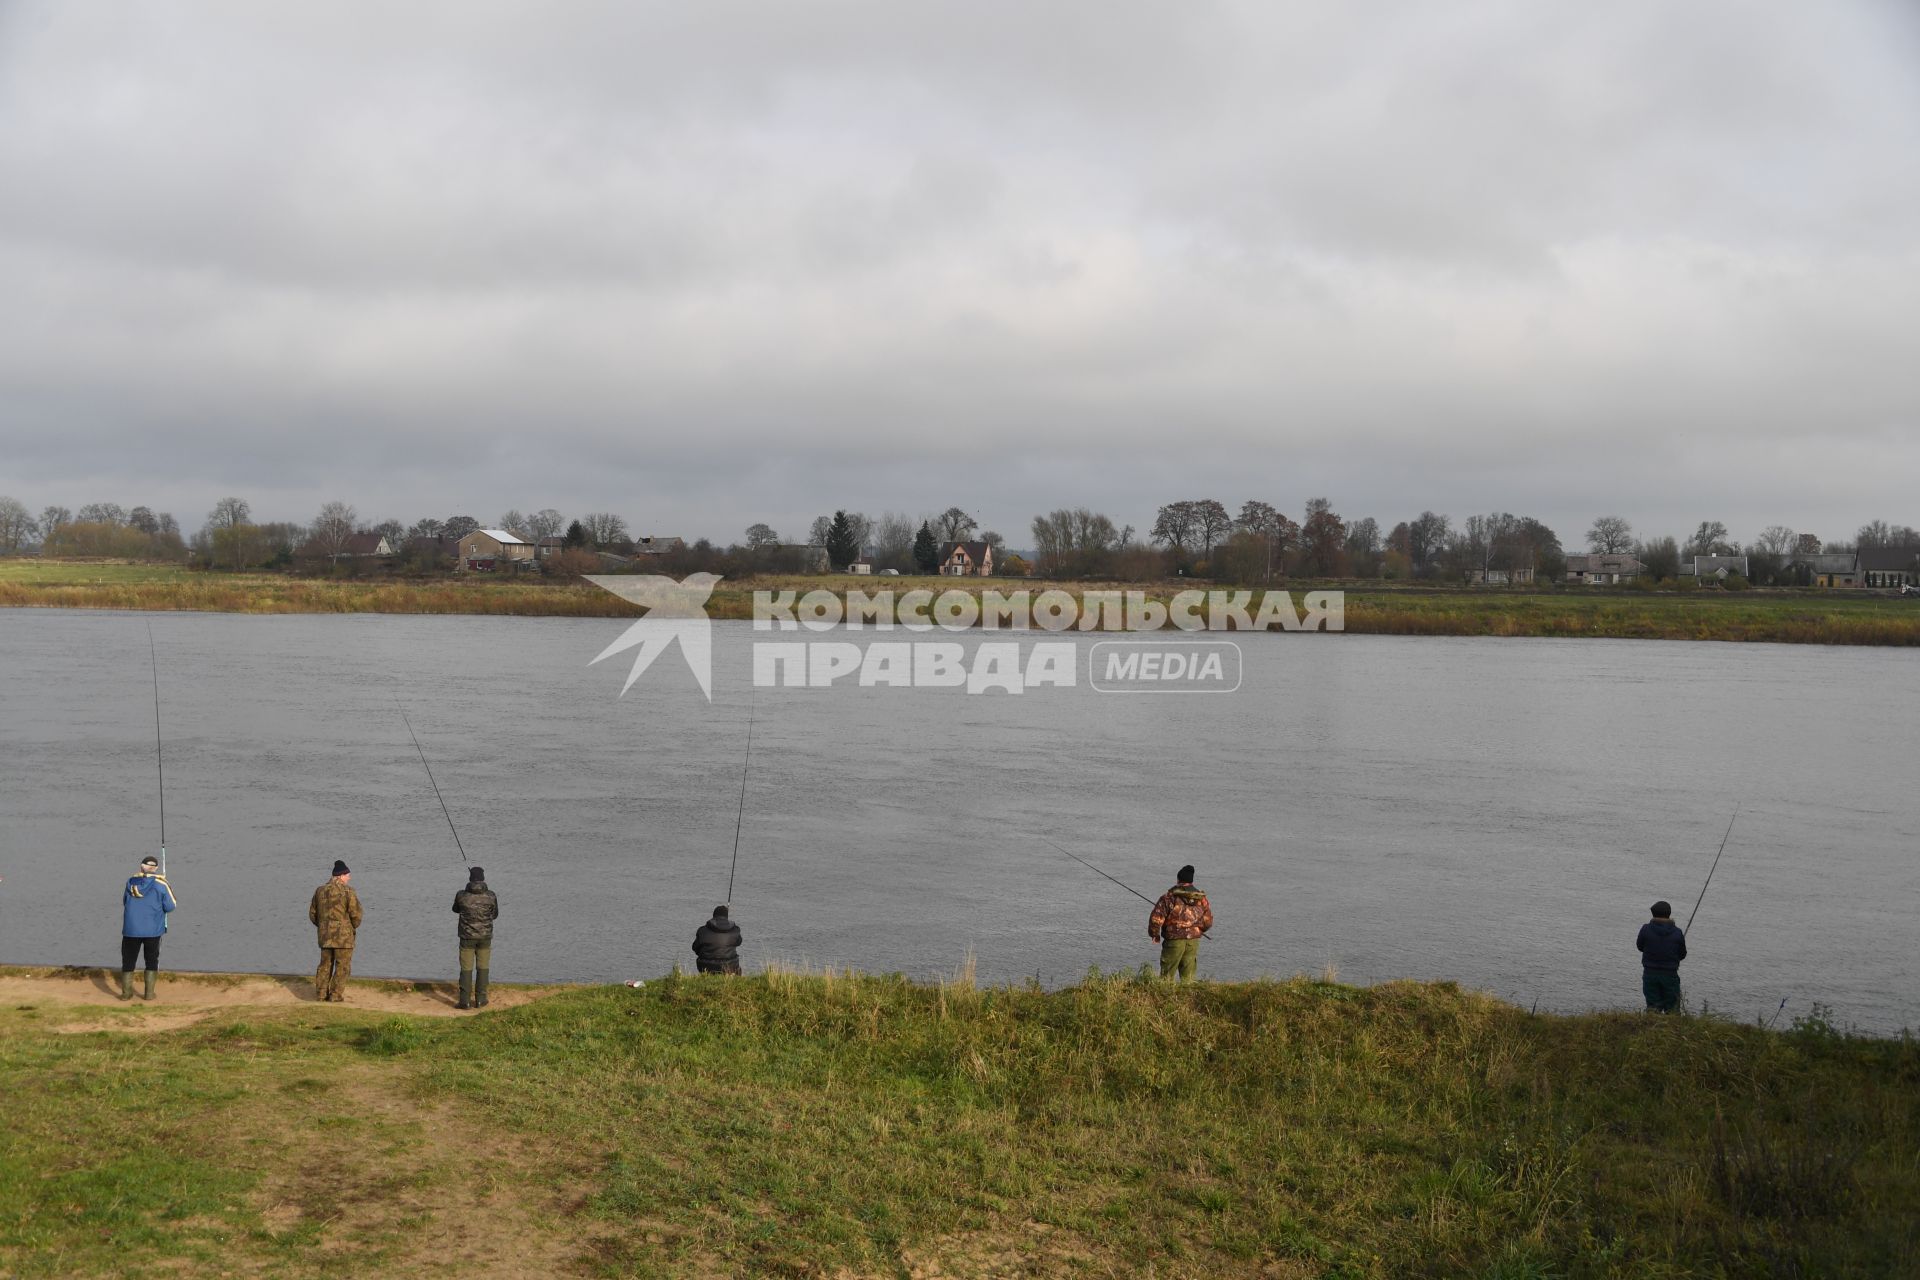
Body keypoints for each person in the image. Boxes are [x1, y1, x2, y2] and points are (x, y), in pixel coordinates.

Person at [120, 855, 177, 1001]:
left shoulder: (130, 882)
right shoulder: (162, 884)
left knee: (128, 960)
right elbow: (171, 906)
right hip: (153, 930)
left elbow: (125, 901)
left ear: (141, 866)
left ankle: (126, 994)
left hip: (131, 929)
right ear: (156, 868)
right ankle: (149, 994)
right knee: (151, 960)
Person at [309, 860, 363, 1003]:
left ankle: (321, 994)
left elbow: (313, 914)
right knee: (343, 966)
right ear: (340, 876)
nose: (349, 878)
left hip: (325, 936)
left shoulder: (320, 891)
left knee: (325, 965)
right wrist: (351, 928)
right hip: (343, 938)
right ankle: (335, 994)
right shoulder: (348, 892)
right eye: (347, 875)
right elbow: (356, 915)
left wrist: (323, 927)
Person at [1148, 865, 1212, 982]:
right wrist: (1198, 930)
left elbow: (1156, 919)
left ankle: (1166, 999)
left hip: (1174, 941)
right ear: (1191, 881)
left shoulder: (1169, 897)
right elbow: (1208, 922)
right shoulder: (1201, 899)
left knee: (1166, 978)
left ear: (1178, 880)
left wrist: (1155, 934)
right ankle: (1188, 999)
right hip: (1192, 942)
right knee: (1189, 979)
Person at [453, 867, 498, 1009]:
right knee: (483, 967)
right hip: (485, 937)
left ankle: (464, 1001)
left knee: (466, 968)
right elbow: (495, 915)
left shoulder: (461, 895)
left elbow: (455, 909)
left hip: (466, 937)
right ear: (483, 879)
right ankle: (481, 999)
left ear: (470, 879)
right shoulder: (491, 896)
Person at [1636, 899, 1688, 1013]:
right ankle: (1672, 1029)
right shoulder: (1677, 932)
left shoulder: (1645, 929)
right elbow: (1683, 954)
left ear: (1653, 913)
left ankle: (1653, 1029)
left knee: (1653, 1007)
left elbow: (1639, 946)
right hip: (1670, 975)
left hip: (1650, 973)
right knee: (1672, 1008)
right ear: (1669, 914)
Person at [692, 905, 743, 975]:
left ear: (713, 916)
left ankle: (706, 978)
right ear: (726, 917)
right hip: (730, 966)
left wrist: (706, 953)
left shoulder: (702, 930)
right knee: (738, 969)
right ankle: (732, 982)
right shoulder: (735, 930)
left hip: (706, 966)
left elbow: (695, 947)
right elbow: (739, 942)